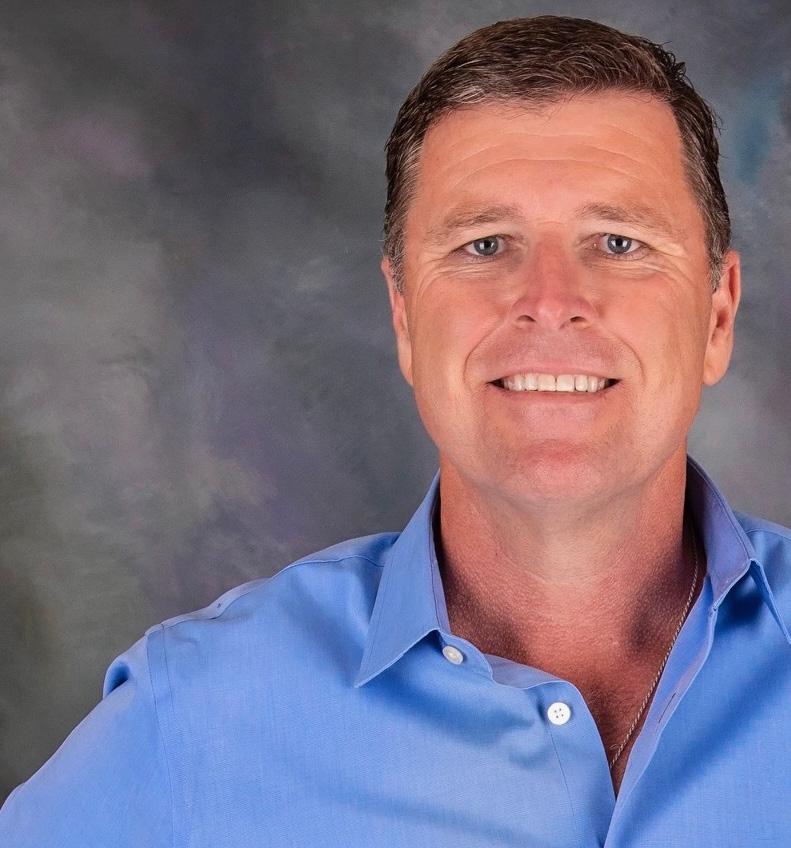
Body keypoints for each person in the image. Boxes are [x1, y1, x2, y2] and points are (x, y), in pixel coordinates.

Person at [2, 13, 790, 846]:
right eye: (485, 245)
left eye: (618, 242)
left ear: (716, 315)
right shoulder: (193, 720)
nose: (551, 300)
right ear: (405, 318)